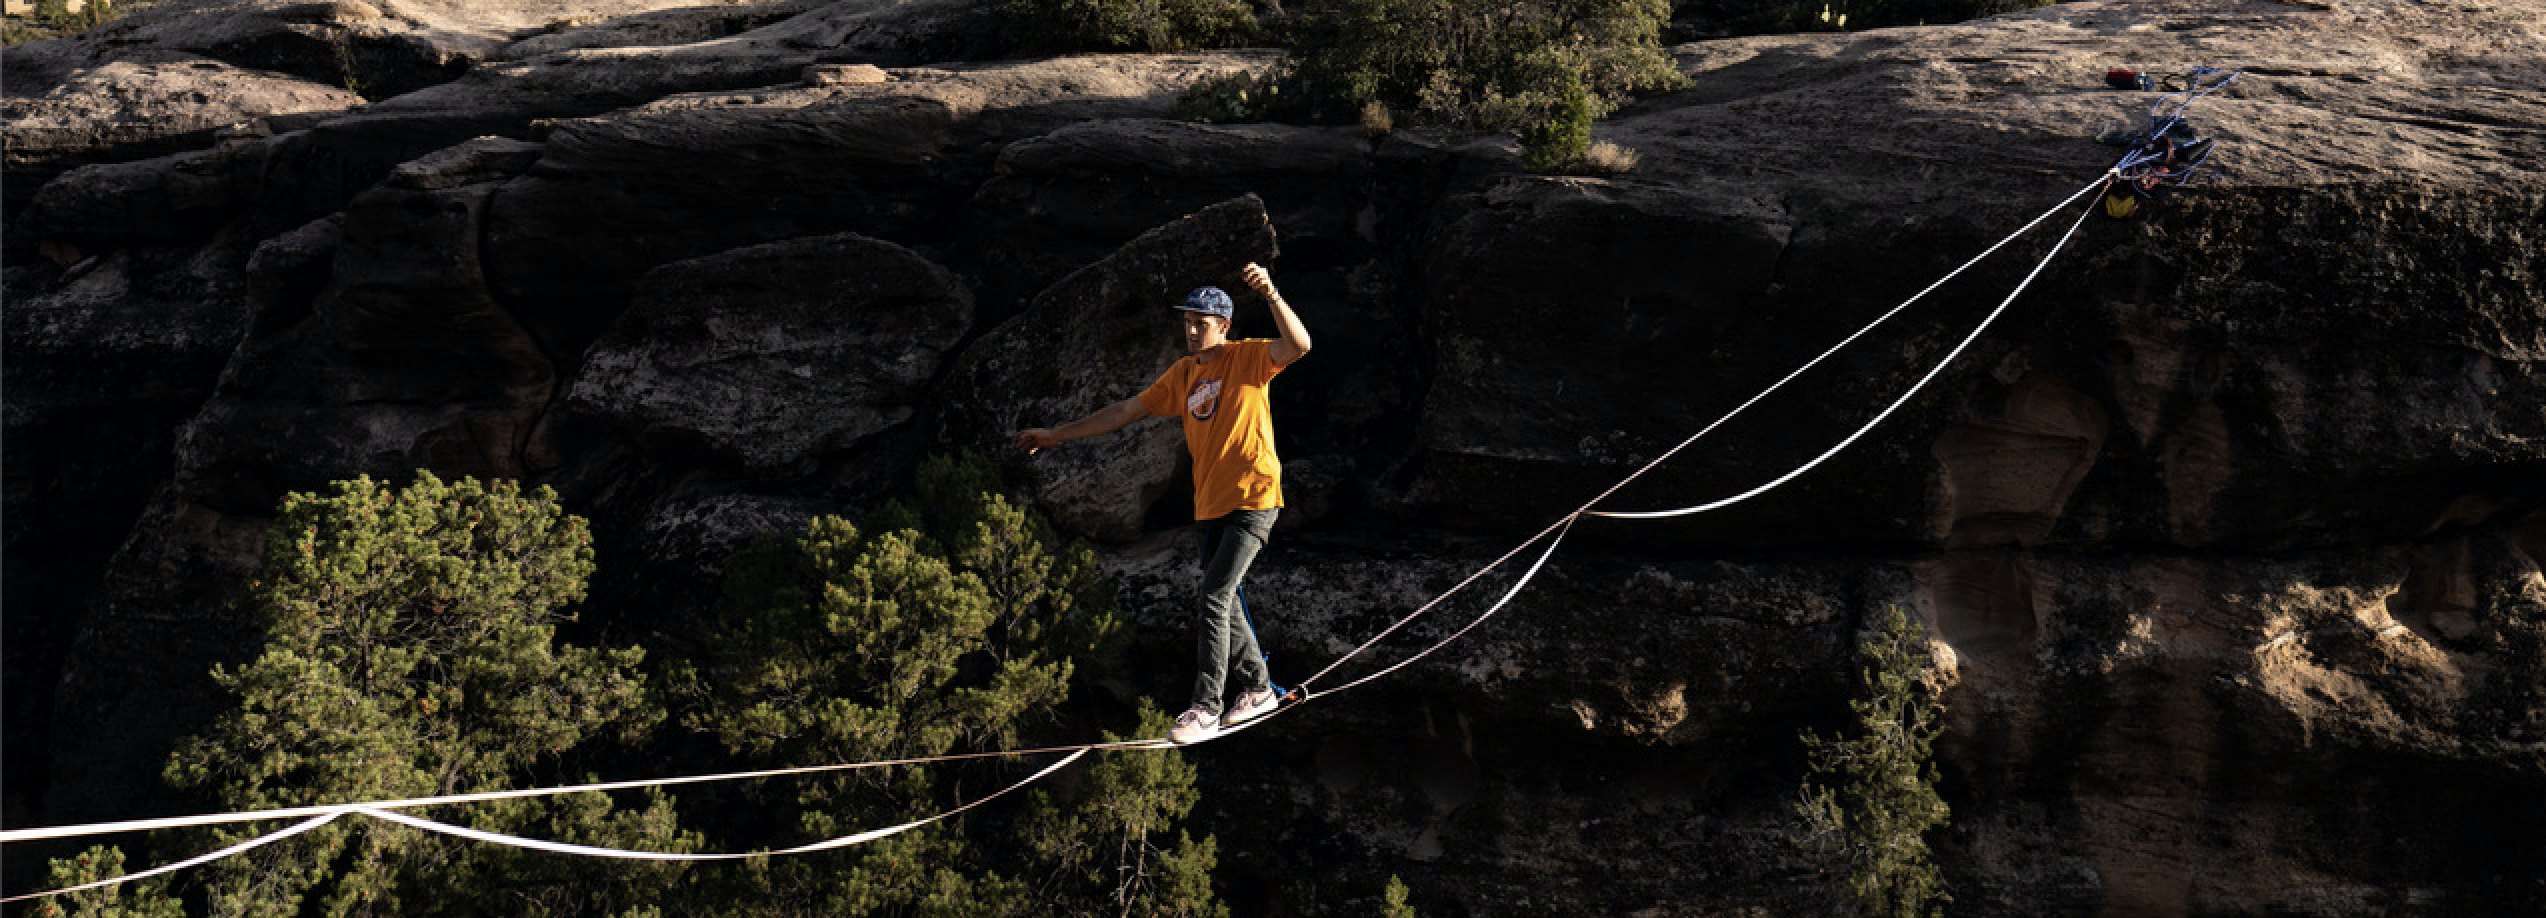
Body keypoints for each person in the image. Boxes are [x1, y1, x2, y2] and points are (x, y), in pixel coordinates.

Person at [1014, 262, 1311, 744]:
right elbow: (1125, 412)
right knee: (1224, 596)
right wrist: (1055, 436)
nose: (1192, 330)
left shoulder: (1249, 358)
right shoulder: (1183, 375)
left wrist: (1273, 295)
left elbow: (1299, 346)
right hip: (1212, 504)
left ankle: (1206, 707)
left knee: (1213, 596)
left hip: (1254, 497)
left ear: (1224, 326)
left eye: (1202, 322)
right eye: (1188, 322)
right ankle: (1258, 690)